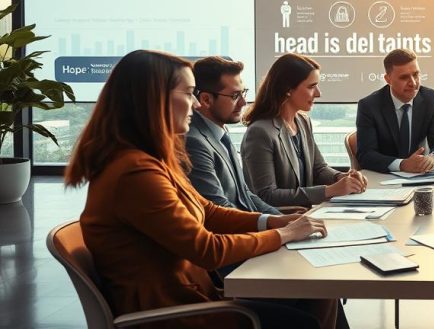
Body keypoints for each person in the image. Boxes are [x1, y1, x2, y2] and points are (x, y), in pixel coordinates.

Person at [64, 50, 337, 329]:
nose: (196, 104)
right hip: (176, 313)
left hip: (194, 295)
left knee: (320, 293)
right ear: (154, 99)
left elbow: (208, 211)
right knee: (307, 314)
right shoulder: (134, 173)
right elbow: (207, 249)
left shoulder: (151, 160)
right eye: (188, 93)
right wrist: (283, 234)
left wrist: (274, 221)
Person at [241, 53, 367, 208]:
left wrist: (342, 177)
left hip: (305, 213)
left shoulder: (302, 121)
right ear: (287, 89)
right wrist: (330, 190)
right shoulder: (260, 132)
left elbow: (318, 169)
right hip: (281, 218)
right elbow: (267, 195)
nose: (318, 93)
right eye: (311, 86)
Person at [186, 56, 283, 216]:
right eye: (235, 96)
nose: (243, 103)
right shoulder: (193, 142)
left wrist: (284, 219)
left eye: (243, 93)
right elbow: (219, 209)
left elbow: (245, 194)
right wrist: (277, 225)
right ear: (206, 99)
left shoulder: (220, 130)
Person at [355, 48, 434, 173]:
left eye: (416, 74)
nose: (413, 83)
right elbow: (366, 155)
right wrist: (402, 164)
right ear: (388, 79)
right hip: (385, 177)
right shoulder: (369, 106)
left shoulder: (430, 97)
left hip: (421, 176)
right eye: (404, 77)